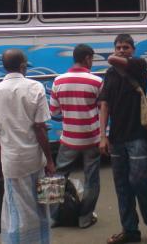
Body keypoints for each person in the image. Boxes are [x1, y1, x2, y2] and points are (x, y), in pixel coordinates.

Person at [0, 49, 55, 244]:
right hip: (35, 159)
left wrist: (2, 154)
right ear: (23, 66)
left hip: (12, 162)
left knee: (16, 209)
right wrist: (50, 160)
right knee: (40, 204)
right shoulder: (36, 87)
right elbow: (40, 129)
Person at [99, 34, 147, 244]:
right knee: (122, 185)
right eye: (118, 47)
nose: (122, 50)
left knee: (139, 181)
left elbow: (112, 59)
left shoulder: (139, 65)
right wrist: (103, 136)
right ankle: (130, 230)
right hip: (117, 137)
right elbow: (104, 105)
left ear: (133, 50)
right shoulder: (110, 74)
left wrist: (113, 56)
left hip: (137, 135)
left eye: (126, 47)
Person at [49, 44, 103, 229]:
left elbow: (54, 110)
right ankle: (85, 218)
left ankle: (54, 217)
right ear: (88, 58)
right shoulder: (96, 81)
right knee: (92, 179)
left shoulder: (58, 81)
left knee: (57, 177)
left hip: (69, 138)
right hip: (91, 138)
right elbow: (103, 109)